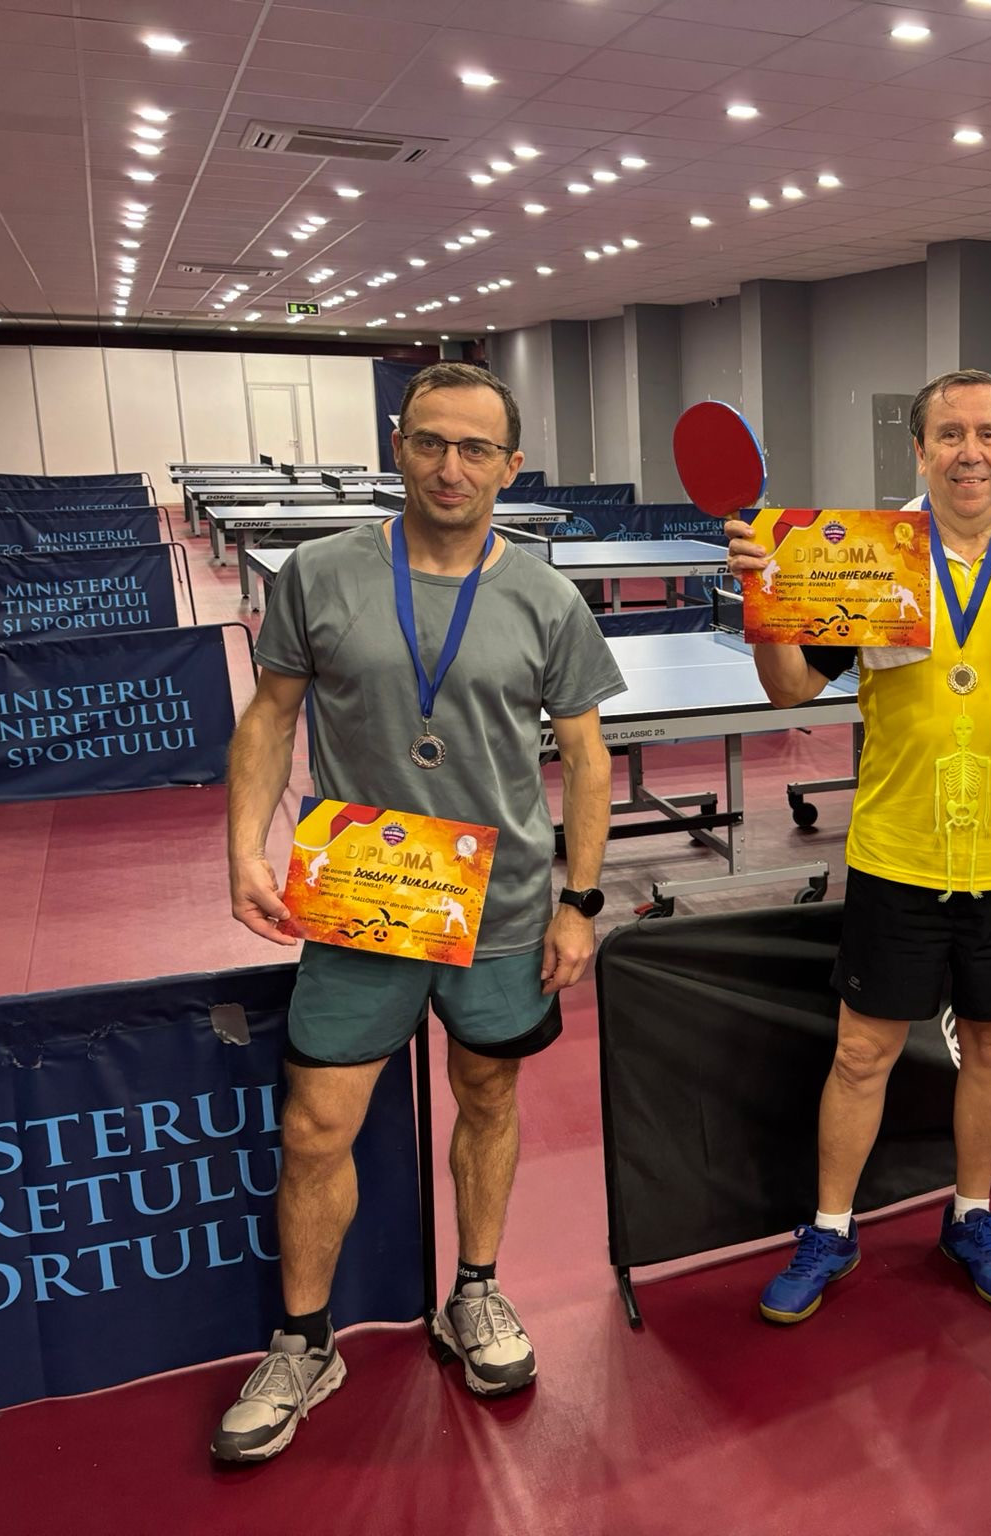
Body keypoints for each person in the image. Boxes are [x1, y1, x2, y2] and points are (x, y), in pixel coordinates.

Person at [212, 362, 624, 1462]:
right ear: (399, 447)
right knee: (317, 1125)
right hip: (363, 896)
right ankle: (305, 1341)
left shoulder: (545, 597)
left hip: (502, 905)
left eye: (475, 448)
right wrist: (243, 846)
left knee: (486, 1096)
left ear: (510, 465)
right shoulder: (321, 573)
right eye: (431, 442)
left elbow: (587, 761)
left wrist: (580, 903)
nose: (451, 466)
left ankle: (473, 1291)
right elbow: (270, 716)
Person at [724, 368, 991, 1323]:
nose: (970, 452)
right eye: (949, 434)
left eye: (989, 434)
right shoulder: (871, 558)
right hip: (899, 852)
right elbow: (790, 689)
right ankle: (831, 1228)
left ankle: (971, 1214)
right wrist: (763, 599)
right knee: (860, 1054)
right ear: (919, 451)